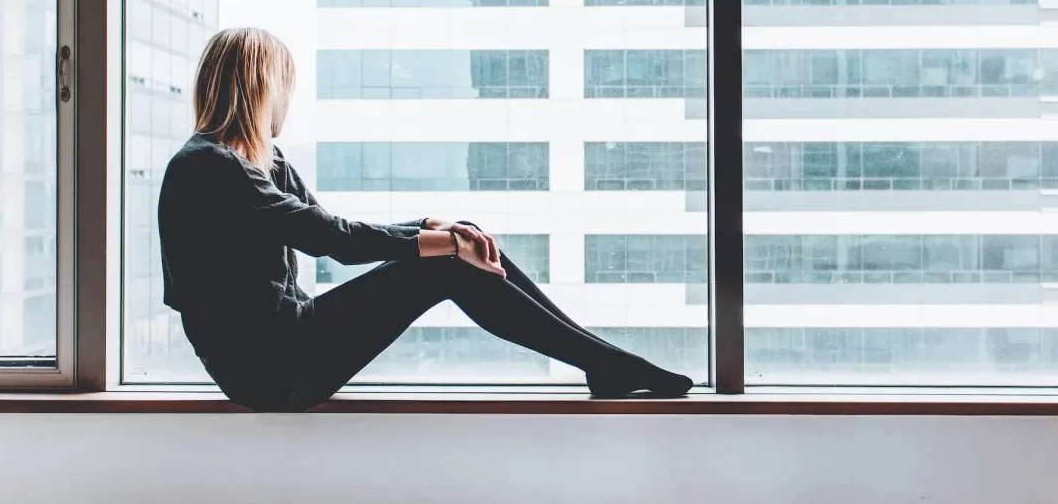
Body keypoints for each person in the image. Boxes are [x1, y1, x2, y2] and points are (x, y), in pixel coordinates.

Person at [158, 27, 694, 412]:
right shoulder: (207, 167)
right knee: (447, 262)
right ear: (260, 89)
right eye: (286, 89)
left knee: (456, 241)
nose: (289, 104)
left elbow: (326, 223)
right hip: (271, 369)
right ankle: (601, 362)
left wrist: (439, 226)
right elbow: (331, 240)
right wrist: (442, 243)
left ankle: (600, 360)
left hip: (289, 345)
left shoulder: (263, 161)